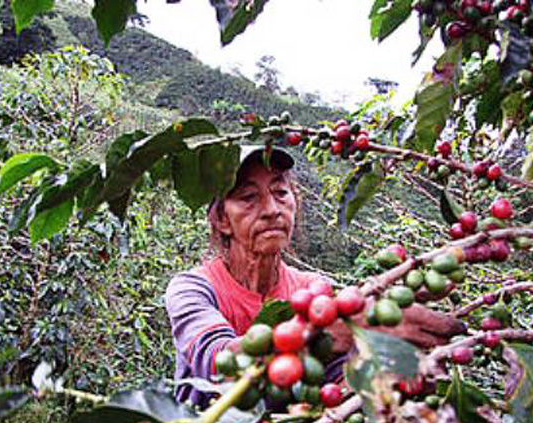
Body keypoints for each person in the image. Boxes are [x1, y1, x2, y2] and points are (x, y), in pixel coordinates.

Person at [165, 145, 464, 406]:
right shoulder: (192, 288)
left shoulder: (310, 289)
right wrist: (329, 334)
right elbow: (220, 365)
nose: (271, 209)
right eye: (248, 197)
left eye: (281, 193)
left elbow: (330, 375)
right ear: (221, 220)